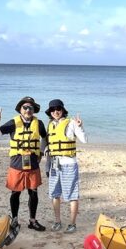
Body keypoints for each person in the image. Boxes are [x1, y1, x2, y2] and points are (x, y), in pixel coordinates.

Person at [0, 96, 48, 231]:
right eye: (25, 107)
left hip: (33, 162)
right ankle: (15, 219)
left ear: (34, 110)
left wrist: (40, 152)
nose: (28, 110)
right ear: (20, 109)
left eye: (31, 108)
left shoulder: (39, 124)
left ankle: (32, 221)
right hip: (17, 162)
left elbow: (45, 138)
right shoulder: (13, 123)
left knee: (33, 192)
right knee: (15, 192)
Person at [45, 98, 86, 233]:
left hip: (69, 163)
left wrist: (80, 127)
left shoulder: (72, 123)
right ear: (50, 112)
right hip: (54, 164)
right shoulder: (50, 125)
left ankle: (72, 224)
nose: (56, 112)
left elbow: (84, 140)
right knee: (54, 194)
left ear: (63, 110)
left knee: (72, 194)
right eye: (53, 110)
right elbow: (46, 145)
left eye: (58, 109)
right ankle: (57, 221)